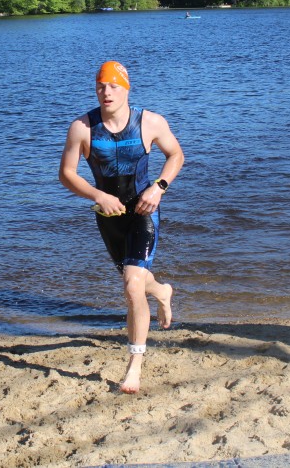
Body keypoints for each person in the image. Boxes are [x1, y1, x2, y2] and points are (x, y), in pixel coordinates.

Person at [59, 60, 184, 394]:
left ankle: (134, 367)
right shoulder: (82, 128)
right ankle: (162, 291)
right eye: (101, 86)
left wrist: (159, 187)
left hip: (143, 210)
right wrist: (98, 195)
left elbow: (175, 155)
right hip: (108, 216)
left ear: (126, 89)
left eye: (114, 86)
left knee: (131, 285)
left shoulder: (150, 122)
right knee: (136, 283)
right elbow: (66, 174)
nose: (107, 92)